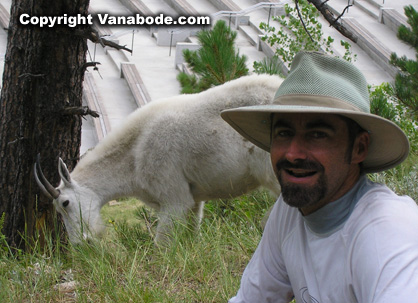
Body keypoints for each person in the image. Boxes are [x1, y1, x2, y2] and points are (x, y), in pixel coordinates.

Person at [221, 51, 418, 303]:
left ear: (359, 148)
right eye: (283, 133)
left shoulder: (387, 232)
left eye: (317, 134)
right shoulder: (290, 212)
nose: (293, 153)